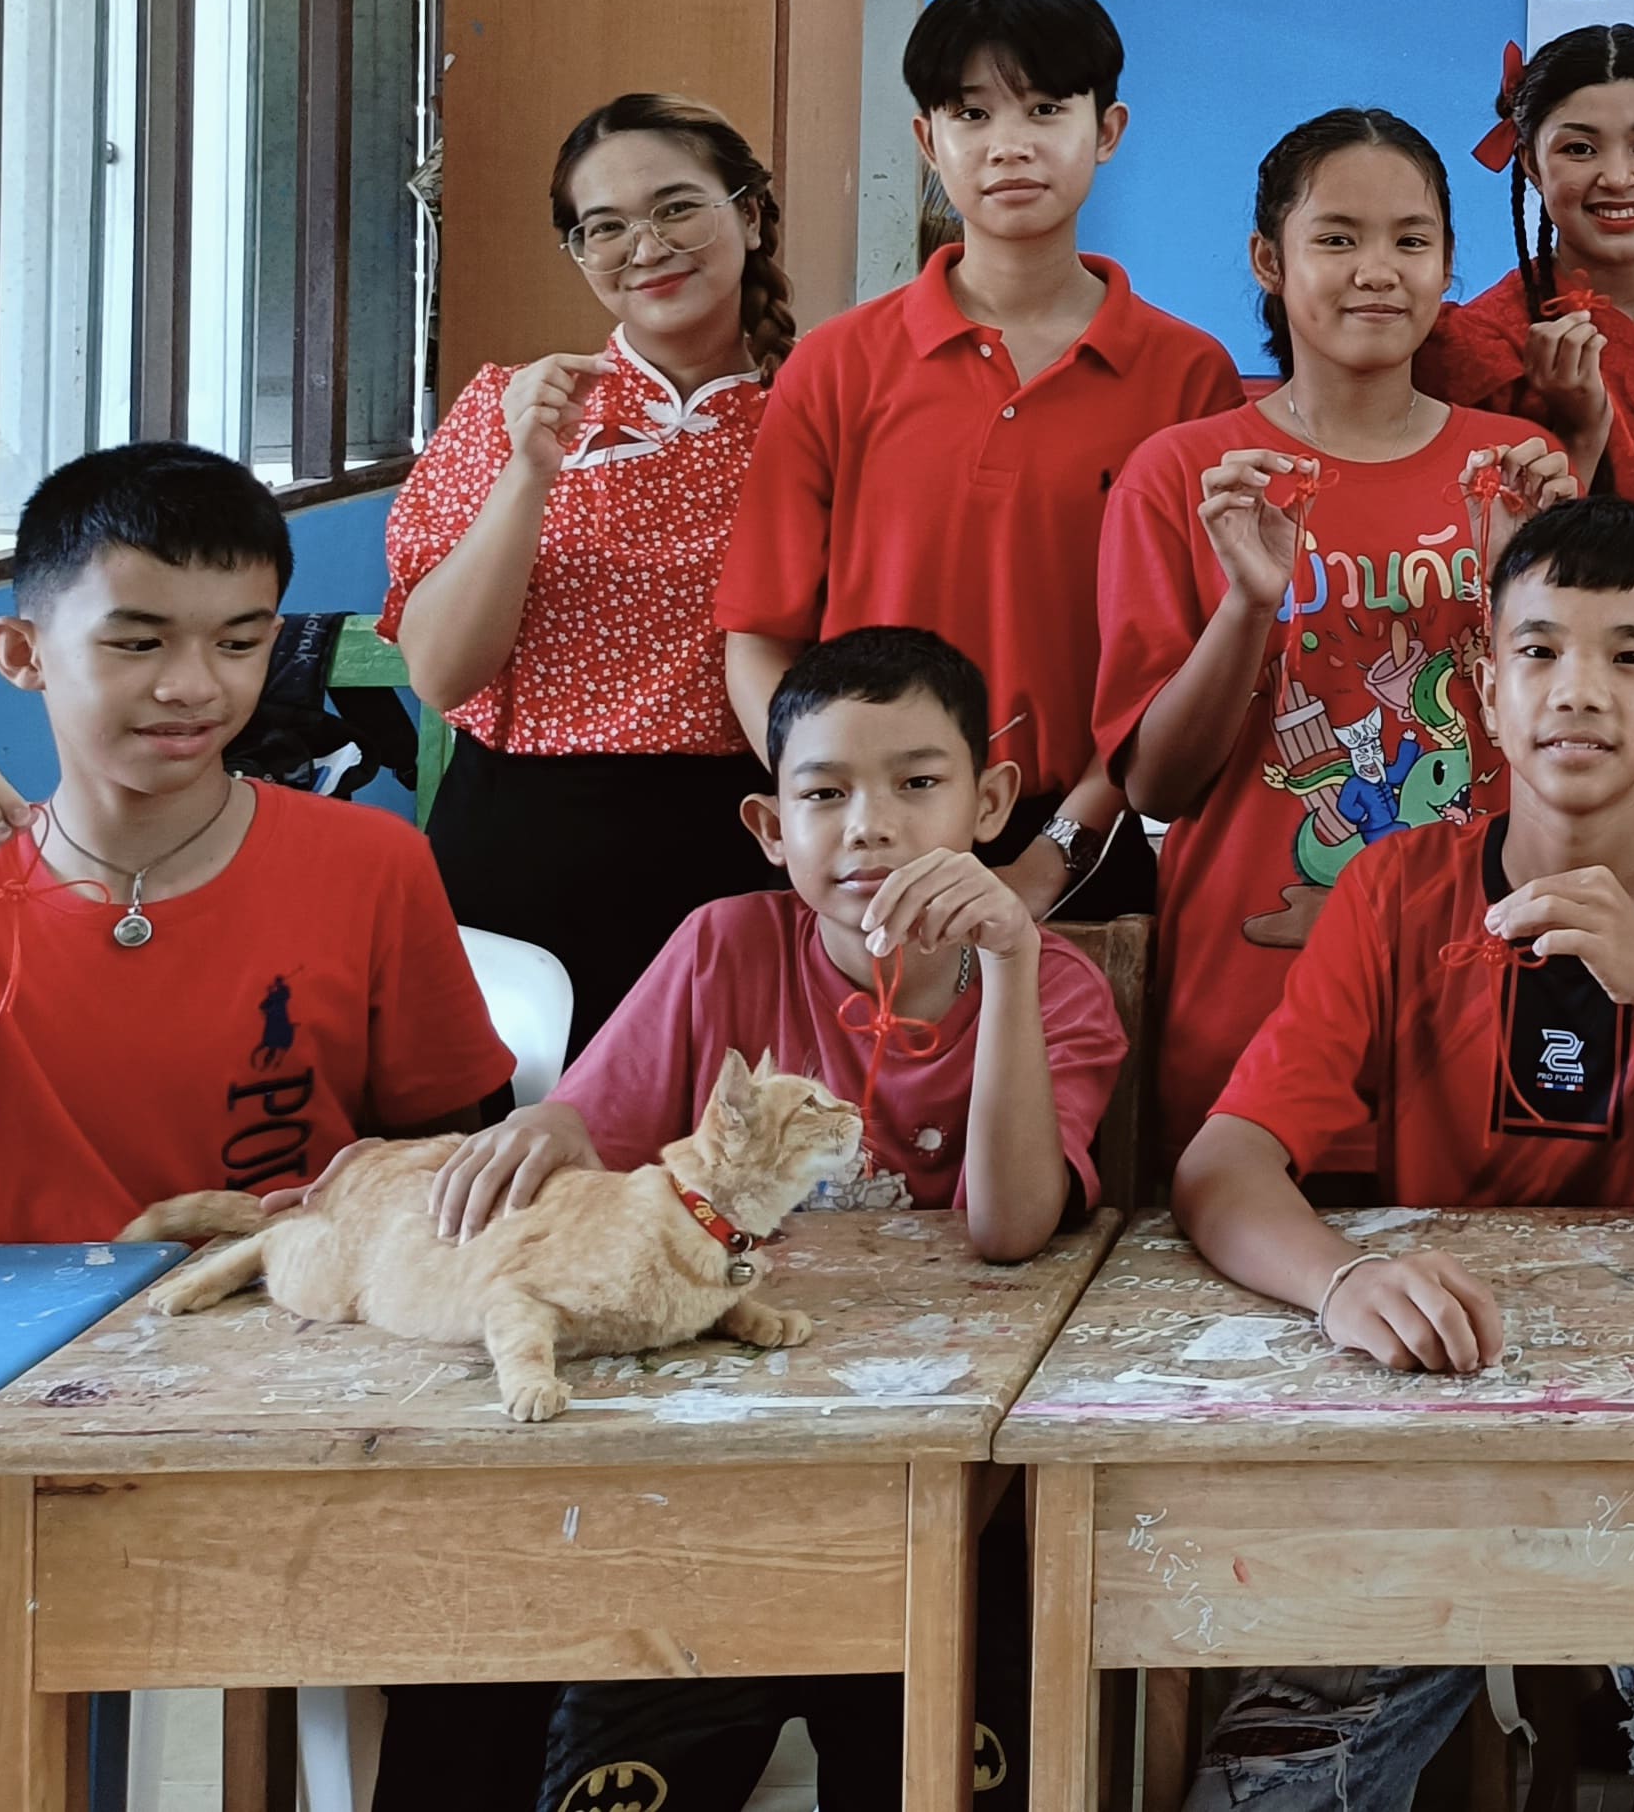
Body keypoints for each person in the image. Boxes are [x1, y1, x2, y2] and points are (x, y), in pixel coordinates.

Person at [0, 444, 513, 1809]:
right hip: (25, 1430)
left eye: (239, 641)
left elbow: (454, 1172)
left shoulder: (370, 864)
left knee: (498, 1663)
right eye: (138, 641)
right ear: (22, 653)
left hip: (312, 1397)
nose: (195, 686)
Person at [1169, 494, 1634, 1812]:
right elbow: (1221, 1169)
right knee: (1266, 1780)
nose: (1579, 690)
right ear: (1486, 693)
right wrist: (1342, 1281)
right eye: (1540, 651)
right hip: (1441, 1432)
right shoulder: (1393, 893)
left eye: (1629, 656)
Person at [419, 627, 1124, 1812]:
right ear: (769, 825)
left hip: (950, 1497)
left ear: (991, 802)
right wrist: (541, 1131)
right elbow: (584, 1131)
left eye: (917, 783)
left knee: (953, 1771)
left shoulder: (1055, 988)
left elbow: (1008, 1230)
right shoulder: (720, 950)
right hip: (710, 1488)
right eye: (824, 794)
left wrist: (1007, 957)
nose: (869, 827)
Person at [716, 0, 1244, 930]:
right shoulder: (836, 365)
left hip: (1080, 844)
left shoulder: (1185, 375)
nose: (1010, 144)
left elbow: (1180, 669)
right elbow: (758, 634)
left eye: (1046, 108)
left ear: (1108, 130)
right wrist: (829, 803)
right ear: (928, 141)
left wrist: (1054, 855)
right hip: (865, 845)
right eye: (971, 114)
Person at [1100, 109, 1575, 1172]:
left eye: (1411, 240)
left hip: (1490, 1002)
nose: (1377, 271)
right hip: (1252, 1023)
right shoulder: (1188, 477)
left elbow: (1576, 742)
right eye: (1336, 238)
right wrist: (1247, 604)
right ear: (1269, 261)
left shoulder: (1518, 469)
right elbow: (1156, 785)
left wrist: (1523, 595)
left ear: (1448, 264)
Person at [385, 91, 791, 1045]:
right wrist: (530, 469)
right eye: (604, 227)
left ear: (749, 214)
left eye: (677, 207)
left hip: (746, 842)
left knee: (732, 1131)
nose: (646, 246)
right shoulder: (508, 407)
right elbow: (439, 674)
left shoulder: (822, 412)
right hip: (519, 852)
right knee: (506, 1133)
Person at [1422, 25, 1634, 814]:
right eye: (1578, 149)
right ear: (1529, 162)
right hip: (1523, 747)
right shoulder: (1464, 351)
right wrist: (1572, 440)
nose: (1617, 176)